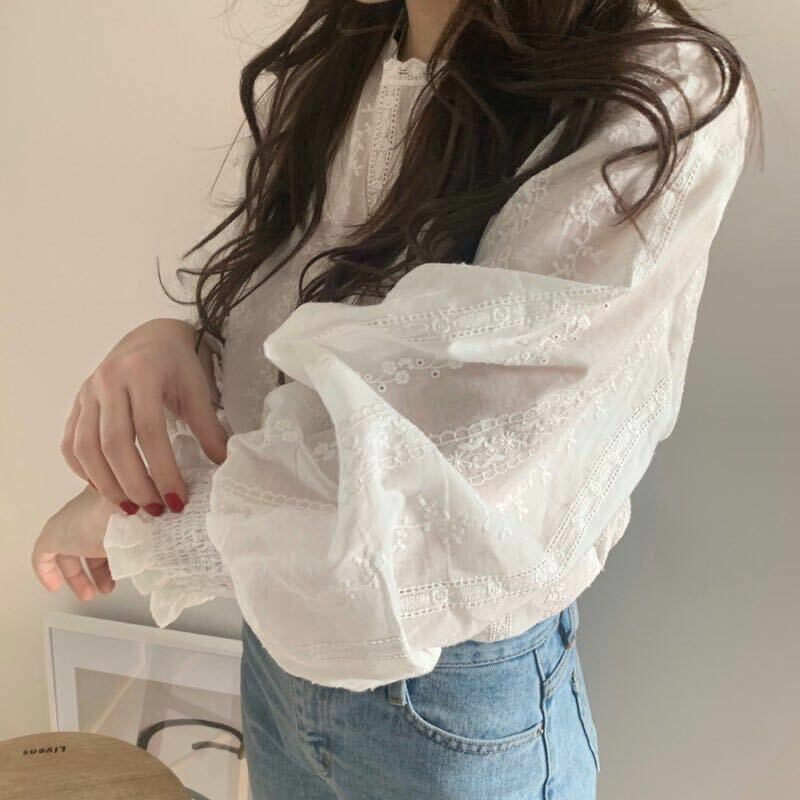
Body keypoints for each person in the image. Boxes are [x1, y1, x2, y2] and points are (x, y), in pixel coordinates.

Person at [32, 1, 759, 797]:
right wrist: (188, 344)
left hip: (451, 712)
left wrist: (135, 526)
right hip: (281, 659)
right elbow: (326, 342)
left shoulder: (655, 92)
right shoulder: (350, 44)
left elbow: (446, 485)